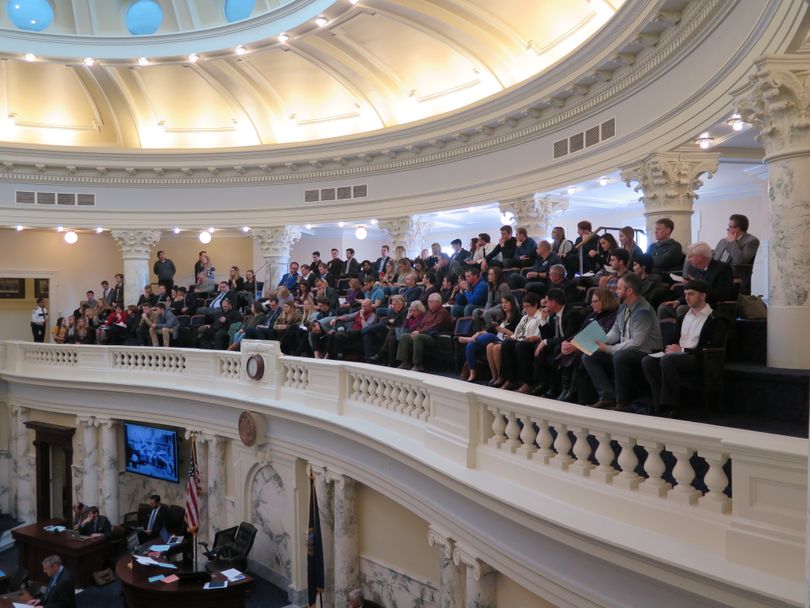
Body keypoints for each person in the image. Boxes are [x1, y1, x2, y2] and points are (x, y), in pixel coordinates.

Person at [641, 279, 728, 416]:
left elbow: (713, 347)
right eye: (685, 294)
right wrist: (671, 348)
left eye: (691, 294)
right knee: (648, 360)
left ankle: (670, 406)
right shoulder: (682, 317)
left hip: (699, 358)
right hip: (680, 356)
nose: (686, 297)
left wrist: (682, 351)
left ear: (703, 296)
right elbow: (676, 341)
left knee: (668, 360)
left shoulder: (716, 319)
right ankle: (658, 404)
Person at [582, 273, 662, 410]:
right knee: (589, 355)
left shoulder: (643, 310)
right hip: (627, 350)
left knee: (620, 356)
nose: (615, 291)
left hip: (646, 351)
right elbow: (615, 331)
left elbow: (637, 342)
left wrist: (609, 349)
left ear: (629, 291)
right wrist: (601, 342)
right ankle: (607, 396)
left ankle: (622, 403)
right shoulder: (623, 307)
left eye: (619, 288)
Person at [459, 294, 520, 382]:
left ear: (513, 303)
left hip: (507, 342)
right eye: (502, 303)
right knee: (471, 345)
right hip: (495, 342)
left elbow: (518, 335)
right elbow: (488, 330)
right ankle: (473, 374)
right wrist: (478, 333)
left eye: (506, 302)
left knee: (490, 336)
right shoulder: (501, 319)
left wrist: (504, 330)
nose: (504, 305)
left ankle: (469, 339)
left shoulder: (518, 318)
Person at [492, 292, 543, 390]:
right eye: (524, 306)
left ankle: (527, 382)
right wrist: (510, 337)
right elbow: (516, 334)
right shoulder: (524, 317)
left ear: (535, 305)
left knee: (520, 346)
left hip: (532, 342)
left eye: (528, 306)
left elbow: (539, 335)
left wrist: (534, 338)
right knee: (506, 343)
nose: (525, 309)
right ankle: (510, 379)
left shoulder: (540, 317)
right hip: (521, 341)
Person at [396, 293, 451, 372]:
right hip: (424, 333)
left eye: (430, 301)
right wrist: (416, 331)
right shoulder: (428, 312)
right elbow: (421, 324)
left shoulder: (443, 312)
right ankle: (405, 362)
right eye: (428, 301)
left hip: (434, 336)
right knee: (404, 336)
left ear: (438, 302)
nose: (428, 303)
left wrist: (419, 331)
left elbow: (435, 326)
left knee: (418, 337)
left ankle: (417, 365)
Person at [714, 213, 759, 295]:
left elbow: (740, 260)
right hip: (718, 274)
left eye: (729, 227)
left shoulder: (751, 241)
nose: (727, 230)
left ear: (737, 228)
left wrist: (732, 242)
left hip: (734, 276)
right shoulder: (723, 241)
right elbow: (715, 259)